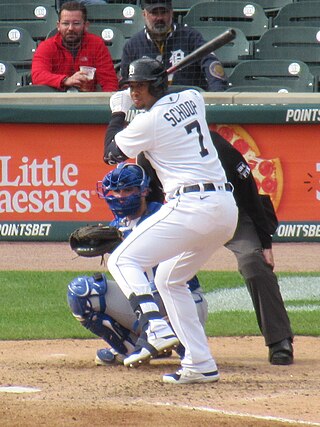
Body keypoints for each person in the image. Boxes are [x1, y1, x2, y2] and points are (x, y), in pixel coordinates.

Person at [103, 57, 238, 384]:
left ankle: (156, 326)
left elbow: (111, 153)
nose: (134, 91)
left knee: (122, 259)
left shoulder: (147, 123)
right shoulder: (193, 97)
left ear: (157, 84)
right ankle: (200, 362)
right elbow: (172, 108)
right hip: (224, 209)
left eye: (140, 85)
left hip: (193, 205)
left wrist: (118, 115)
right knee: (168, 279)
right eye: (131, 86)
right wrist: (143, 104)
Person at [135, 129, 294, 366]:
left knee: (253, 262)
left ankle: (279, 340)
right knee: (155, 263)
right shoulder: (147, 154)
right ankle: (155, 336)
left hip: (233, 212)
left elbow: (249, 192)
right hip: (185, 215)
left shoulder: (214, 144)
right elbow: (154, 200)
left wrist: (265, 243)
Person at [67, 163, 208, 365]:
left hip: (182, 300)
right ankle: (130, 348)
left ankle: (165, 339)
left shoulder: (164, 216)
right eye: (116, 191)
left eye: (128, 189)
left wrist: (127, 241)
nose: (121, 196)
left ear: (144, 191)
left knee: (190, 354)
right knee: (82, 292)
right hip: (146, 302)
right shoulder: (117, 226)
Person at [120, 0, 227, 92]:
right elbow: (126, 84)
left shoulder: (190, 37)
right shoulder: (133, 45)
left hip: (187, 104)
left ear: (171, 13)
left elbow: (210, 64)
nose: (159, 18)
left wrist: (217, 94)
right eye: (154, 13)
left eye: (164, 12)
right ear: (144, 15)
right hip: (151, 106)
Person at [32, 1, 118, 92]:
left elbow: (109, 82)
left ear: (85, 25)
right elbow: (38, 75)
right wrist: (66, 80)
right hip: (55, 101)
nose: (70, 28)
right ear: (58, 26)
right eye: (65, 23)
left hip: (88, 101)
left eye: (76, 23)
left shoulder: (96, 44)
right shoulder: (46, 46)